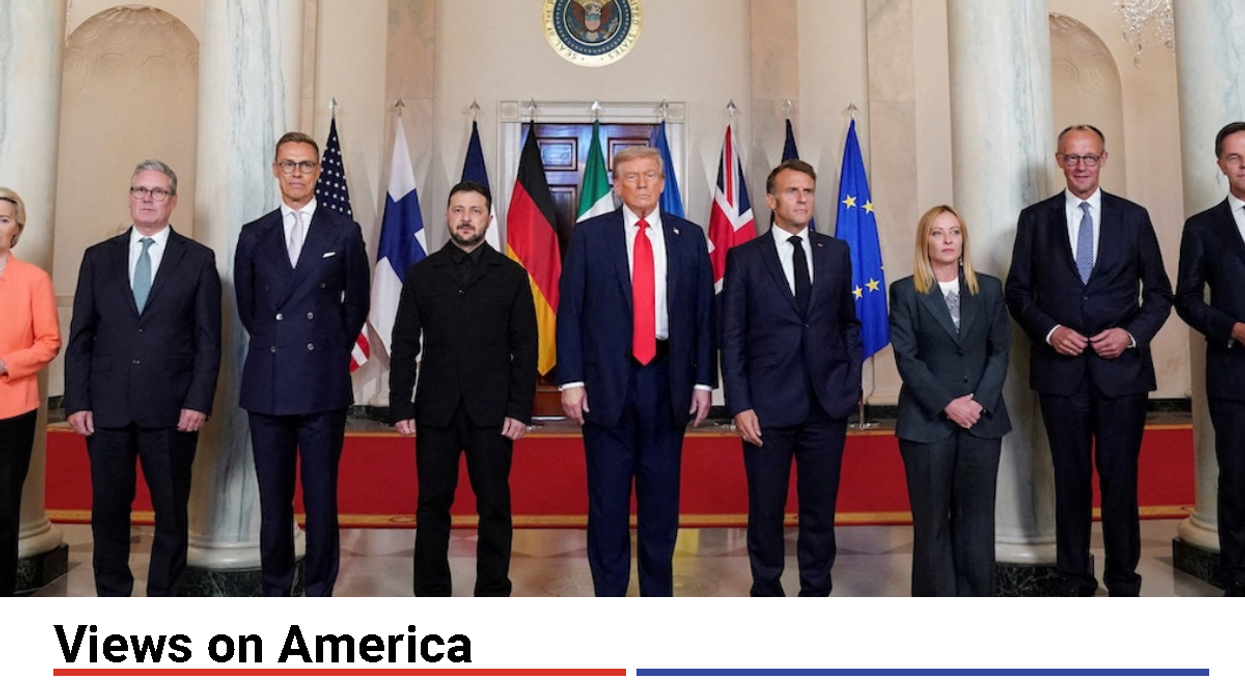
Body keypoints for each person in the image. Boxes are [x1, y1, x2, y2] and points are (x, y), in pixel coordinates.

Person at [1006, 125, 1172, 597]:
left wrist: (1131, 334)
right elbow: (1017, 292)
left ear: (1104, 159)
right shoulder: (1035, 220)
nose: (1081, 166)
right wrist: (1052, 331)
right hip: (1060, 376)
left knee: (1121, 481)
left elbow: (1159, 293)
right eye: (1072, 158)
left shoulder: (1133, 217)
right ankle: (1074, 579)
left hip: (1122, 374)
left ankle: (1123, 580)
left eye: (1090, 157)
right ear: (1059, 161)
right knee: (1070, 481)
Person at [557, 145, 714, 597]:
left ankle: (656, 599)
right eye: (631, 177)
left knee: (661, 502)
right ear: (617, 184)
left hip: (669, 382)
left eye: (649, 175)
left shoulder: (690, 236)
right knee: (607, 503)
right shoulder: (589, 236)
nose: (642, 184)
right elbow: (571, 312)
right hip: (606, 383)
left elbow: (704, 316)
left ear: (663, 183)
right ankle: (609, 596)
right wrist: (571, 380)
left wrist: (704, 381)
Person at [64, 161, 221, 597]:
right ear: (130, 196)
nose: (147, 198)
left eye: (157, 192)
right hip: (107, 407)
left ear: (173, 200)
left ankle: (163, 602)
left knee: (170, 511)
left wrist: (198, 400)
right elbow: (82, 335)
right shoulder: (98, 257)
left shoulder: (198, 260)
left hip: (172, 409)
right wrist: (77, 400)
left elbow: (209, 340)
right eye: (140, 190)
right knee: (108, 509)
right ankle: (112, 595)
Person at [235, 131, 369, 597]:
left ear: (318, 171)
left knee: (320, 499)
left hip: (321, 384)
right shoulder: (253, 234)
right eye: (288, 164)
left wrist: (327, 350)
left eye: (306, 165)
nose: (297, 173)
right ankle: (274, 587)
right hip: (267, 382)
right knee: (274, 501)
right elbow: (250, 310)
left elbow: (357, 306)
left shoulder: (343, 231)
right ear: (275, 170)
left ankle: (318, 590)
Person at [720, 159, 862, 597]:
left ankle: (816, 592)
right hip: (765, 407)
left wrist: (849, 381)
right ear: (771, 200)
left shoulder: (835, 251)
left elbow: (848, 324)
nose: (802, 199)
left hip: (826, 404)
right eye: (792, 191)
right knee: (766, 509)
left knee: (819, 510)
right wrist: (740, 404)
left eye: (808, 191)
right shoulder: (744, 257)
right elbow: (733, 336)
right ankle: (767, 591)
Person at [389, 181, 538, 596]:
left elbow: (526, 346)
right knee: (432, 507)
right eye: (458, 210)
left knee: (495, 507)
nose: (466, 218)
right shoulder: (422, 274)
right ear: (447, 216)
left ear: (489, 218)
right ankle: (432, 593)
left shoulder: (511, 276)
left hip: (493, 413)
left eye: (475, 210)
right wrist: (401, 403)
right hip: (434, 410)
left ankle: (492, 591)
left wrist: (520, 408)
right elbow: (404, 342)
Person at [889, 205, 1011, 596]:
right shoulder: (906, 291)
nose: (947, 240)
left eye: (954, 233)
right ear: (925, 240)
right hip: (927, 423)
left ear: (963, 240)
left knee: (976, 521)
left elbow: (1001, 349)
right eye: (938, 233)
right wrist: (949, 404)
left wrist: (979, 402)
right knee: (932, 523)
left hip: (982, 420)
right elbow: (907, 358)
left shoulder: (988, 288)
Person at [1175, 121, 1245, 597]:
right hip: (1233, 372)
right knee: (1237, 478)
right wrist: (1232, 328)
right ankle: (1237, 573)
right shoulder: (1202, 227)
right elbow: (1186, 299)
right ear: (1221, 165)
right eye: (1236, 157)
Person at [0, 188, 61, 596]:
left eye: (4, 219)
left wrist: (7, 364)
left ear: (18, 228)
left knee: (4, 506)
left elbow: (49, 342)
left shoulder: (33, 279)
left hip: (12, 407)